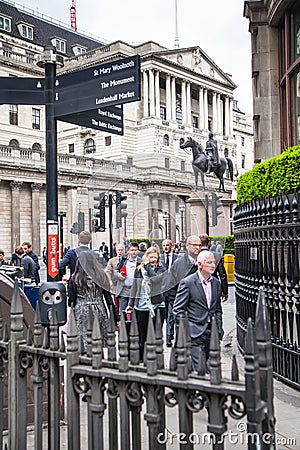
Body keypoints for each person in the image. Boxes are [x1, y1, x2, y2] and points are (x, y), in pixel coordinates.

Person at [173, 250, 224, 372]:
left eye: (214, 263)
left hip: (211, 332)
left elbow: (217, 308)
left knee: (211, 367)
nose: (213, 265)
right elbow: (178, 309)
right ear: (200, 264)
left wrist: (219, 326)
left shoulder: (216, 283)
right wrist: (187, 331)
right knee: (200, 370)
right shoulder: (188, 283)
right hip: (194, 334)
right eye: (209, 262)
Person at [68, 251, 119, 353]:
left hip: (81, 310)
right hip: (99, 309)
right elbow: (109, 299)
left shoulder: (74, 278)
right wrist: (116, 318)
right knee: (97, 340)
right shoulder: (101, 276)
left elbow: (71, 301)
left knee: (83, 339)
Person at [126, 247, 166, 361]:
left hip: (156, 305)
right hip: (141, 306)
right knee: (142, 334)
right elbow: (134, 287)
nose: (153, 259)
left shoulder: (161, 269)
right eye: (150, 257)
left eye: (155, 257)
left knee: (154, 334)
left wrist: (147, 266)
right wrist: (131, 303)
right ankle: (142, 358)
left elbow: (154, 279)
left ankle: (154, 358)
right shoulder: (139, 270)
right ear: (146, 257)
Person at [160, 239, 179, 347]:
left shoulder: (178, 258)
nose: (166, 247)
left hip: (173, 290)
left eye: (167, 245)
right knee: (163, 315)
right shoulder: (159, 258)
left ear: (171, 246)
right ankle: (166, 335)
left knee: (171, 315)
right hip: (162, 291)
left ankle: (168, 337)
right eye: (164, 246)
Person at [115, 242, 142, 315]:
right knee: (122, 313)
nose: (134, 252)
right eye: (132, 250)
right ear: (128, 251)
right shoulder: (123, 260)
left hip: (135, 291)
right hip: (124, 289)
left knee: (134, 313)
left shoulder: (140, 261)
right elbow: (116, 271)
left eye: (136, 250)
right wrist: (118, 274)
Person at [199, 234, 228, 302]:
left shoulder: (195, 256)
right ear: (209, 243)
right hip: (213, 288)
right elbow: (222, 275)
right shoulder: (216, 256)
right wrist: (225, 292)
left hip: (198, 289)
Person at [105, 243, 125, 316]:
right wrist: (109, 280)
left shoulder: (127, 260)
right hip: (115, 285)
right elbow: (108, 270)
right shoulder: (112, 260)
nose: (120, 252)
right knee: (116, 303)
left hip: (125, 285)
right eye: (119, 250)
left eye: (122, 250)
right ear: (116, 251)